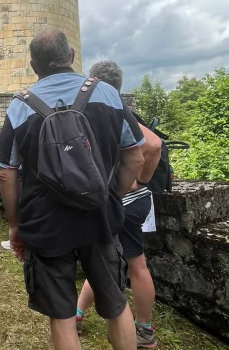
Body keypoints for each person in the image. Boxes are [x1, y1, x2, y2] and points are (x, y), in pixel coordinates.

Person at [0, 28, 146, 350]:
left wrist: (14, 226)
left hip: (46, 222)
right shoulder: (106, 93)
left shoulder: (20, 106)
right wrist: (110, 193)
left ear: (34, 66)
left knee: (62, 317)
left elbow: (7, 175)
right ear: (73, 57)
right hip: (99, 217)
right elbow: (136, 155)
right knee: (117, 306)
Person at [76, 61, 162, 348]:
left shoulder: (115, 109)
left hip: (126, 199)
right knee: (105, 259)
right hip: (126, 200)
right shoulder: (112, 108)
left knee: (136, 266)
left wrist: (139, 181)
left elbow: (152, 145)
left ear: (96, 81)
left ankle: (144, 331)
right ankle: (78, 312)